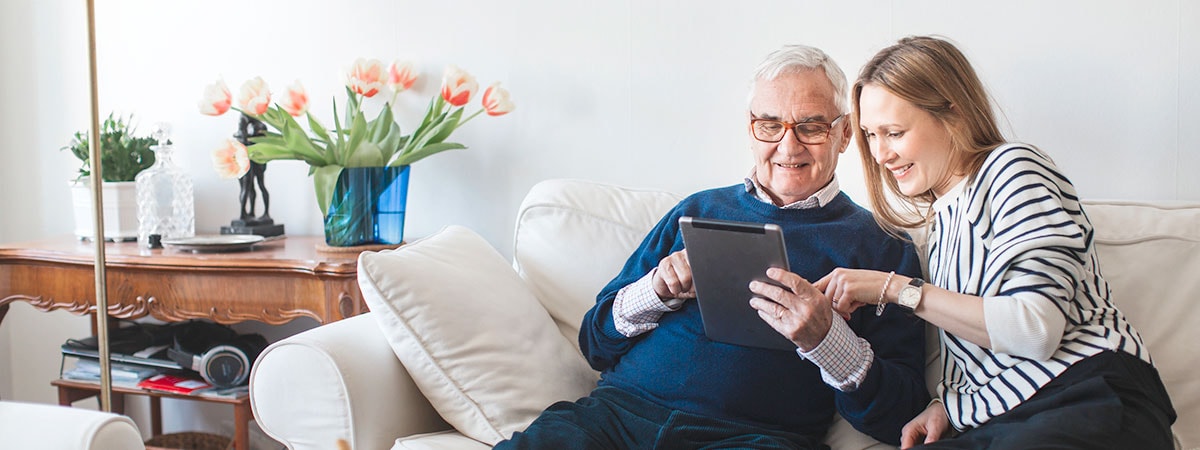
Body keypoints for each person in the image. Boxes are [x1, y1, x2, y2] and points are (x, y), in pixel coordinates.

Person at [495, 44, 929, 450]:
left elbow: (900, 414)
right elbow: (596, 342)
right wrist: (655, 292)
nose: (788, 145)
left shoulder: (883, 247)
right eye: (770, 125)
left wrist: (828, 340)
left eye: (811, 127)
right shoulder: (698, 209)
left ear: (844, 134)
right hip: (616, 418)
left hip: (755, 438)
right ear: (751, 128)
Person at [816, 36, 1177, 449]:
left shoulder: (1012, 168)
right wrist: (949, 406)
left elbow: (1036, 329)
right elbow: (986, 351)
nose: (880, 154)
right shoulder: (941, 225)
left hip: (1085, 395)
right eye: (870, 135)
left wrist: (894, 288)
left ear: (953, 113)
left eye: (894, 133)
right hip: (1007, 419)